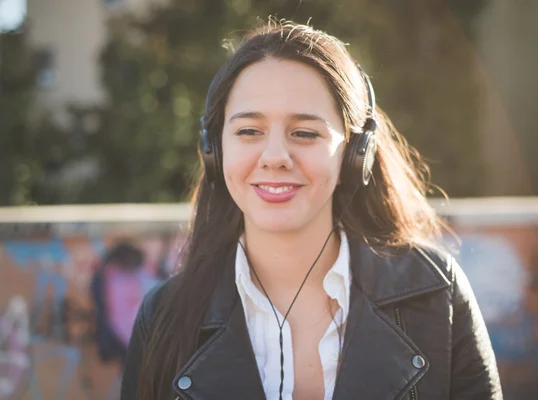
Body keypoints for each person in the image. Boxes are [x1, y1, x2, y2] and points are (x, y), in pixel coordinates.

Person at [120, 19, 502, 400]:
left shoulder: (436, 294)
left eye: (305, 133)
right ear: (214, 152)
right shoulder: (164, 317)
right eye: (248, 131)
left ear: (356, 155)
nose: (274, 157)